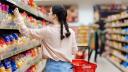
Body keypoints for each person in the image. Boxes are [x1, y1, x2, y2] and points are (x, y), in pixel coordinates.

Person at [14, 5, 78, 72]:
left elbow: (26, 31)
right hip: (67, 67)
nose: (48, 14)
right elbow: (74, 51)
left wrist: (18, 17)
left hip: (53, 67)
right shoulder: (71, 32)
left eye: (50, 12)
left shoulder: (48, 30)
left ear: (54, 16)